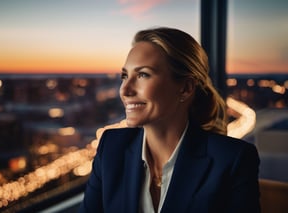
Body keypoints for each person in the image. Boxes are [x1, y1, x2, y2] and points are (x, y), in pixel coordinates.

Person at [79, 27, 260, 213]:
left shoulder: (233, 159)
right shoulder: (111, 147)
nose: (125, 90)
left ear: (186, 88)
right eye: (125, 76)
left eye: (143, 75)